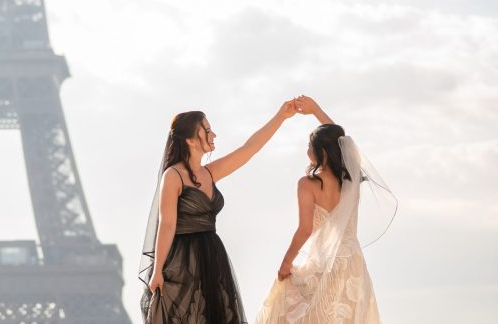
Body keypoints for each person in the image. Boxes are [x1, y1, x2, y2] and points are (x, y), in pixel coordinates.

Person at [140, 102, 298, 324]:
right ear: (191, 140)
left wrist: (281, 116)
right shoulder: (173, 175)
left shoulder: (209, 173)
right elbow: (167, 225)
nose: (213, 134)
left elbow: (249, 149)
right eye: (207, 130)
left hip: (213, 256)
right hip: (183, 261)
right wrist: (157, 271)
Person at [254, 95, 396, 324]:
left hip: (324, 263)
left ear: (324, 152)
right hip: (353, 264)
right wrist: (316, 110)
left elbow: (305, 229)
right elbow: (344, 144)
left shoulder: (307, 184)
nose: (307, 150)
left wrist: (286, 263)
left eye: (310, 146)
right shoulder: (351, 182)